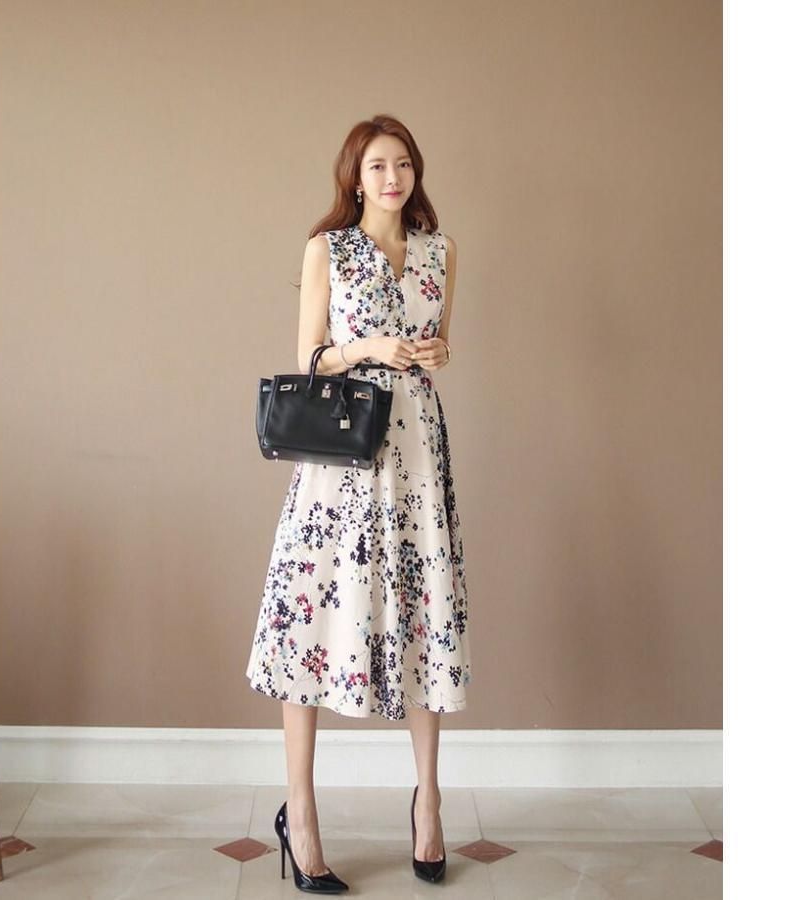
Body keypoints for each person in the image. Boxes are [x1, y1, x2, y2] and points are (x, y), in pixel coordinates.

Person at [245, 114, 471, 892]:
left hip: (417, 454)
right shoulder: (328, 250)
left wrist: (434, 351)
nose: (392, 177)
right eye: (377, 165)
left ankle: (429, 803)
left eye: (403, 163)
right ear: (355, 177)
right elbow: (309, 356)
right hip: (344, 457)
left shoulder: (441, 251)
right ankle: (301, 815)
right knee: (309, 616)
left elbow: (440, 343)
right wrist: (370, 348)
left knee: (423, 613)